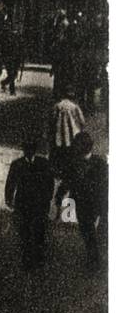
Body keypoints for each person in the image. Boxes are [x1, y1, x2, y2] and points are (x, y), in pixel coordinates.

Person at [5, 134, 55, 271]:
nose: (29, 152)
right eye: (27, 149)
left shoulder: (43, 163)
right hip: (23, 204)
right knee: (24, 233)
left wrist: (48, 199)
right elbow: (10, 183)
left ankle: (39, 261)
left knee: (39, 233)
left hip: (39, 204)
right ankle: (26, 261)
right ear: (24, 150)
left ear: (34, 150)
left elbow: (50, 183)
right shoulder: (17, 164)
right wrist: (9, 199)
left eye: (31, 149)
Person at [70, 132, 106, 273]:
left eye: (78, 145)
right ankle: (93, 258)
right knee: (86, 231)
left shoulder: (100, 163)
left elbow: (104, 185)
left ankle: (95, 261)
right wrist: (60, 196)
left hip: (95, 203)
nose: (75, 148)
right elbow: (69, 180)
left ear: (85, 147)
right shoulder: (75, 162)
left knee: (94, 232)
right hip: (81, 203)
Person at [50, 90, 86, 218]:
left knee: (60, 156)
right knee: (70, 159)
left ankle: (60, 171)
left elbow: (52, 121)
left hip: (60, 137)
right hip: (73, 138)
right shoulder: (75, 107)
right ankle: (69, 213)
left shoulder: (58, 106)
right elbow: (82, 121)